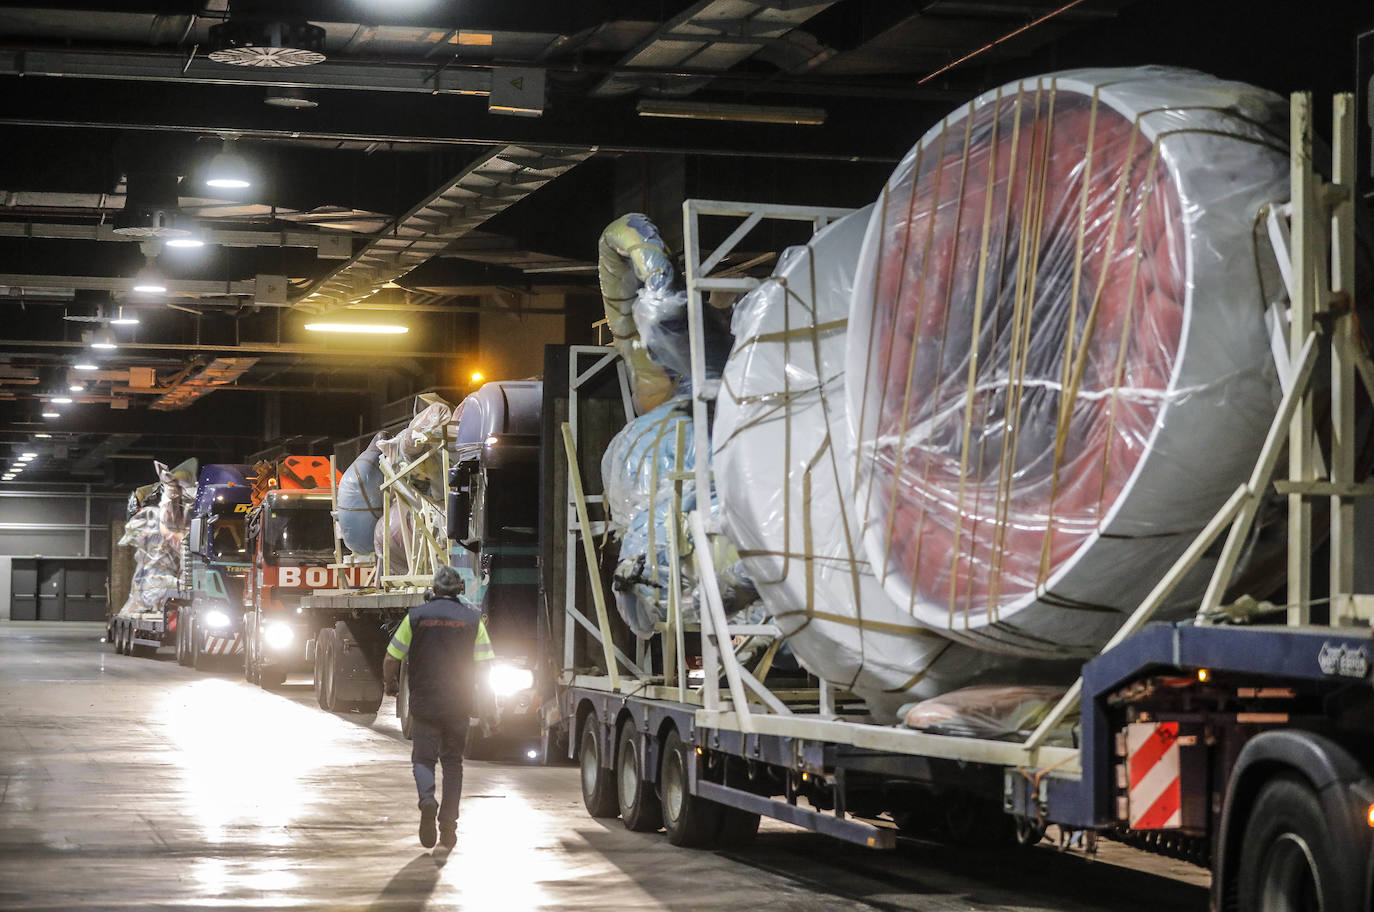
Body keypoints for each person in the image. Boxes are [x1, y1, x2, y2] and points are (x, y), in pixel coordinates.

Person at [383, 565, 496, 849]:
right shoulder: (473, 620)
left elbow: (391, 657)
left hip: (424, 703)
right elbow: (485, 669)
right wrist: (488, 708)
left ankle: (427, 800)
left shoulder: (416, 617)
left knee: (423, 760)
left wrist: (390, 685)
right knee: (453, 764)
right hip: (458, 704)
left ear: (433, 590)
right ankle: (448, 827)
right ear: (459, 590)